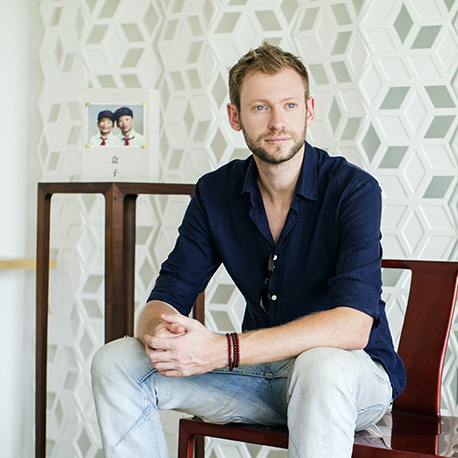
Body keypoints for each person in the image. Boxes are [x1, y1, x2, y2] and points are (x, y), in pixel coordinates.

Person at [91, 42, 406, 457]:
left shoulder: (354, 189)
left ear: (309, 110)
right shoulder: (215, 192)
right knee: (115, 362)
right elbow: (166, 296)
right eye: (260, 108)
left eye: (290, 105)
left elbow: (352, 327)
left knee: (320, 365)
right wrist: (163, 336)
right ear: (234, 116)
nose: (278, 122)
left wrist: (223, 350)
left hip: (350, 378)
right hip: (258, 378)